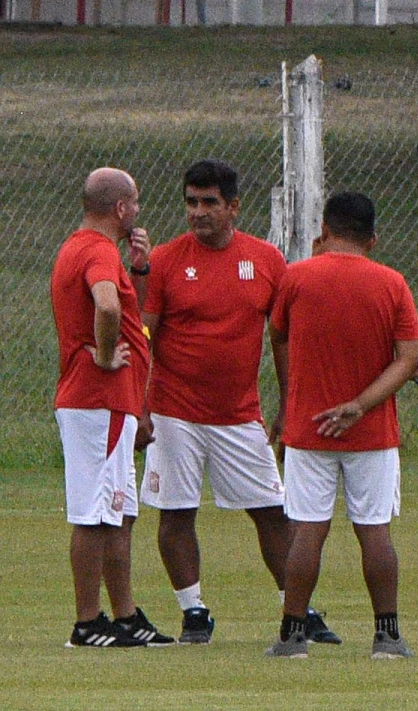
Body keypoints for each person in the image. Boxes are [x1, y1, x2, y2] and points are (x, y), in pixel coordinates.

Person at [137, 160, 338, 645]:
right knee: (176, 512)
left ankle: (299, 609)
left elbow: (283, 337)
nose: (198, 212)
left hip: (239, 414)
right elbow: (144, 337)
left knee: (272, 510)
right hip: (174, 412)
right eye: (191, 202)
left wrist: (289, 403)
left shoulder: (266, 260)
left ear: (233, 207)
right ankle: (194, 612)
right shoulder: (166, 260)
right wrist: (138, 405)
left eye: (209, 203)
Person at [265, 191, 418, 659]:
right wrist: (360, 404)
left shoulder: (296, 277)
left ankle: (292, 634)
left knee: (307, 529)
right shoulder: (392, 284)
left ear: (324, 229)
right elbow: (409, 358)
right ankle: (387, 636)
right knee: (374, 530)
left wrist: (289, 401)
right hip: (371, 432)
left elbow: (278, 335)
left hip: (310, 428)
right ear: (373, 238)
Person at [51, 167, 173, 648]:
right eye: (135, 202)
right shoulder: (97, 251)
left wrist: (139, 270)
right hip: (95, 399)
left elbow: (125, 310)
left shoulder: (91, 249)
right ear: (120, 208)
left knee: (118, 511)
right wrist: (103, 356)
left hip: (113, 403)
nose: (138, 210)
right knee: (93, 512)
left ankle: (124, 616)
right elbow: (106, 306)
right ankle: (87, 622)